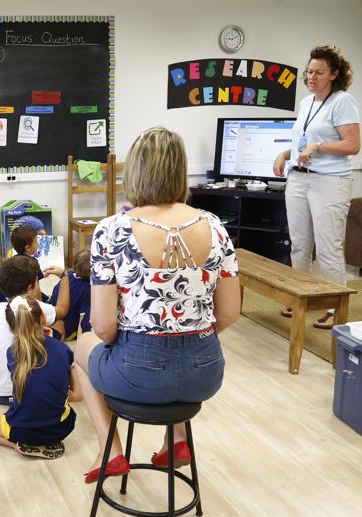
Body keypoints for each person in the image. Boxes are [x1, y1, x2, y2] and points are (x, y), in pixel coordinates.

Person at [73, 127, 241, 484]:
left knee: (82, 347)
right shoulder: (215, 227)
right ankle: (177, 438)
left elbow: (104, 328)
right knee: (176, 351)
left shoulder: (112, 230)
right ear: (180, 172)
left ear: (134, 172)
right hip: (205, 372)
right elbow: (229, 313)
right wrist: (184, 335)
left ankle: (111, 450)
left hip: (139, 371)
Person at [272, 45, 360, 329]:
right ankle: (302, 296)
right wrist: (285, 154)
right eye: (309, 71)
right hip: (299, 177)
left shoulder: (343, 101)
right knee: (299, 245)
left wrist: (319, 146)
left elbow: (352, 145)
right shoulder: (306, 103)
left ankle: (336, 307)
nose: (311, 77)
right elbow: (302, 141)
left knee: (327, 248)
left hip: (330, 182)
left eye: (319, 72)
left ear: (334, 74)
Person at [0, 296, 80, 459]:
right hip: (61, 428)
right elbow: (78, 395)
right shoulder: (62, 349)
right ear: (43, 319)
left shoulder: (12, 353)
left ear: (10, 329)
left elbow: (22, 390)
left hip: (22, 429)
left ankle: (20, 445)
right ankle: (40, 445)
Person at [0, 255, 68, 405]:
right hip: (33, 392)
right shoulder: (39, 307)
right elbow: (63, 310)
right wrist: (65, 277)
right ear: (30, 288)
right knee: (58, 322)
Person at [0, 226, 60, 303]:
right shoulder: (32, 263)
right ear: (28, 248)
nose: (38, 245)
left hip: (3, 297)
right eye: (36, 242)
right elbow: (36, 288)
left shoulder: (10, 261)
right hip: (23, 298)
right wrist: (40, 305)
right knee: (47, 300)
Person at [49, 249, 93, 341]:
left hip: (51, 322)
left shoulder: (66, 275)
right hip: (68, 332)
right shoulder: (87, 289)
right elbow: (82, 320)